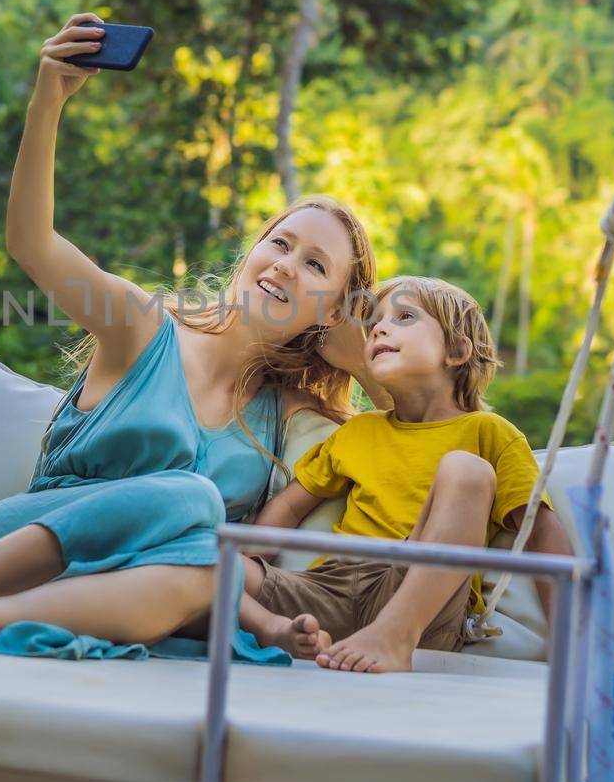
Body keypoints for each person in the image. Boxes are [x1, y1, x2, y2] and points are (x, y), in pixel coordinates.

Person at [0, 12, 380, 661]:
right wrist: (49, 101)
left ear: (332, 309)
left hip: (134, 599)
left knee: (206, 570)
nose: (286, 265)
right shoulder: (142, 325)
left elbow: (424, 422)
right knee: (194, 497)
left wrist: (362, 358)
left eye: (316, 266)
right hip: (18, 555)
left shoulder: (289, 416)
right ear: (253, 250)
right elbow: (32, 244)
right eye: (281, 242)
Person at [238, 276, 574, 673]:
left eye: (405, 316)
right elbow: (290, 506)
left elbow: (541, 531)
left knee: (465, 470)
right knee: (203, 554)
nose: (379, 327)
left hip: (422, 597)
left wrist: (571, 646)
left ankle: (395, 634)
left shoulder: (489, 431)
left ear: (456, 351)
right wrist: (246, 565)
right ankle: (272, 629)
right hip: (334, 585)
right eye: (375, 322)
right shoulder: (358, 431)